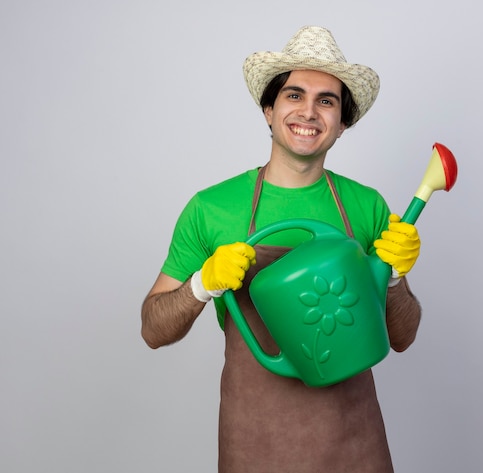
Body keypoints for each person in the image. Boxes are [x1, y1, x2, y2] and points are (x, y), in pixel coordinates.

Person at [141, 26, 422, 472]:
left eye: (326, 101)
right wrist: (201, 284)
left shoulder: (367, 207)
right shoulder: (211, 208)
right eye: (294, 96)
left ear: (342, 124)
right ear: (269, 110)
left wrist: (396, 277)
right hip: (255, 440)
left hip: (353, 439)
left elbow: (402, 337)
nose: (308, 112)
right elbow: (153, 329)